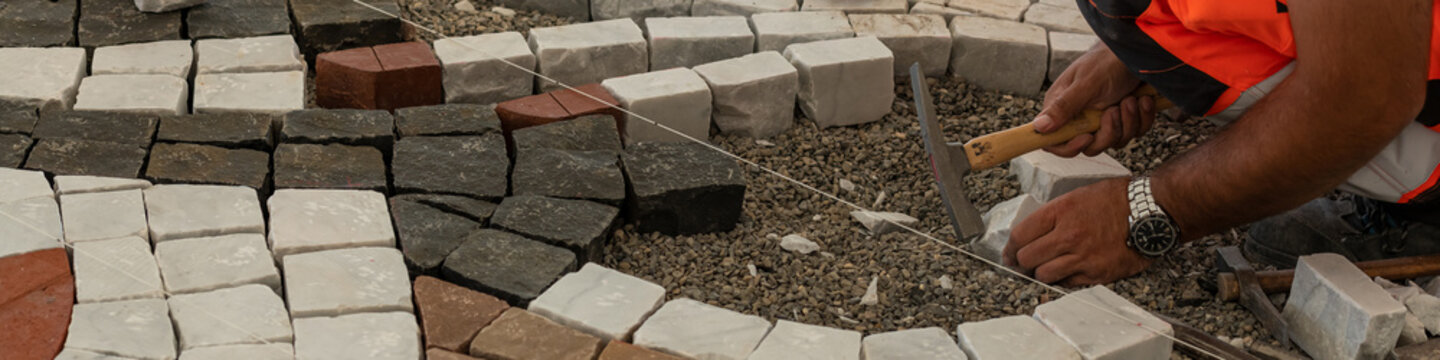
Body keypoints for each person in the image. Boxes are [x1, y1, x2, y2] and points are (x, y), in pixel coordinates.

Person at [1001, 0, 1440, 286]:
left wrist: (1149, 209)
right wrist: (1140, 49)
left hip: (1383, 84)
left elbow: (1364, 96)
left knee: (1355, 92)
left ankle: (1427, 211)